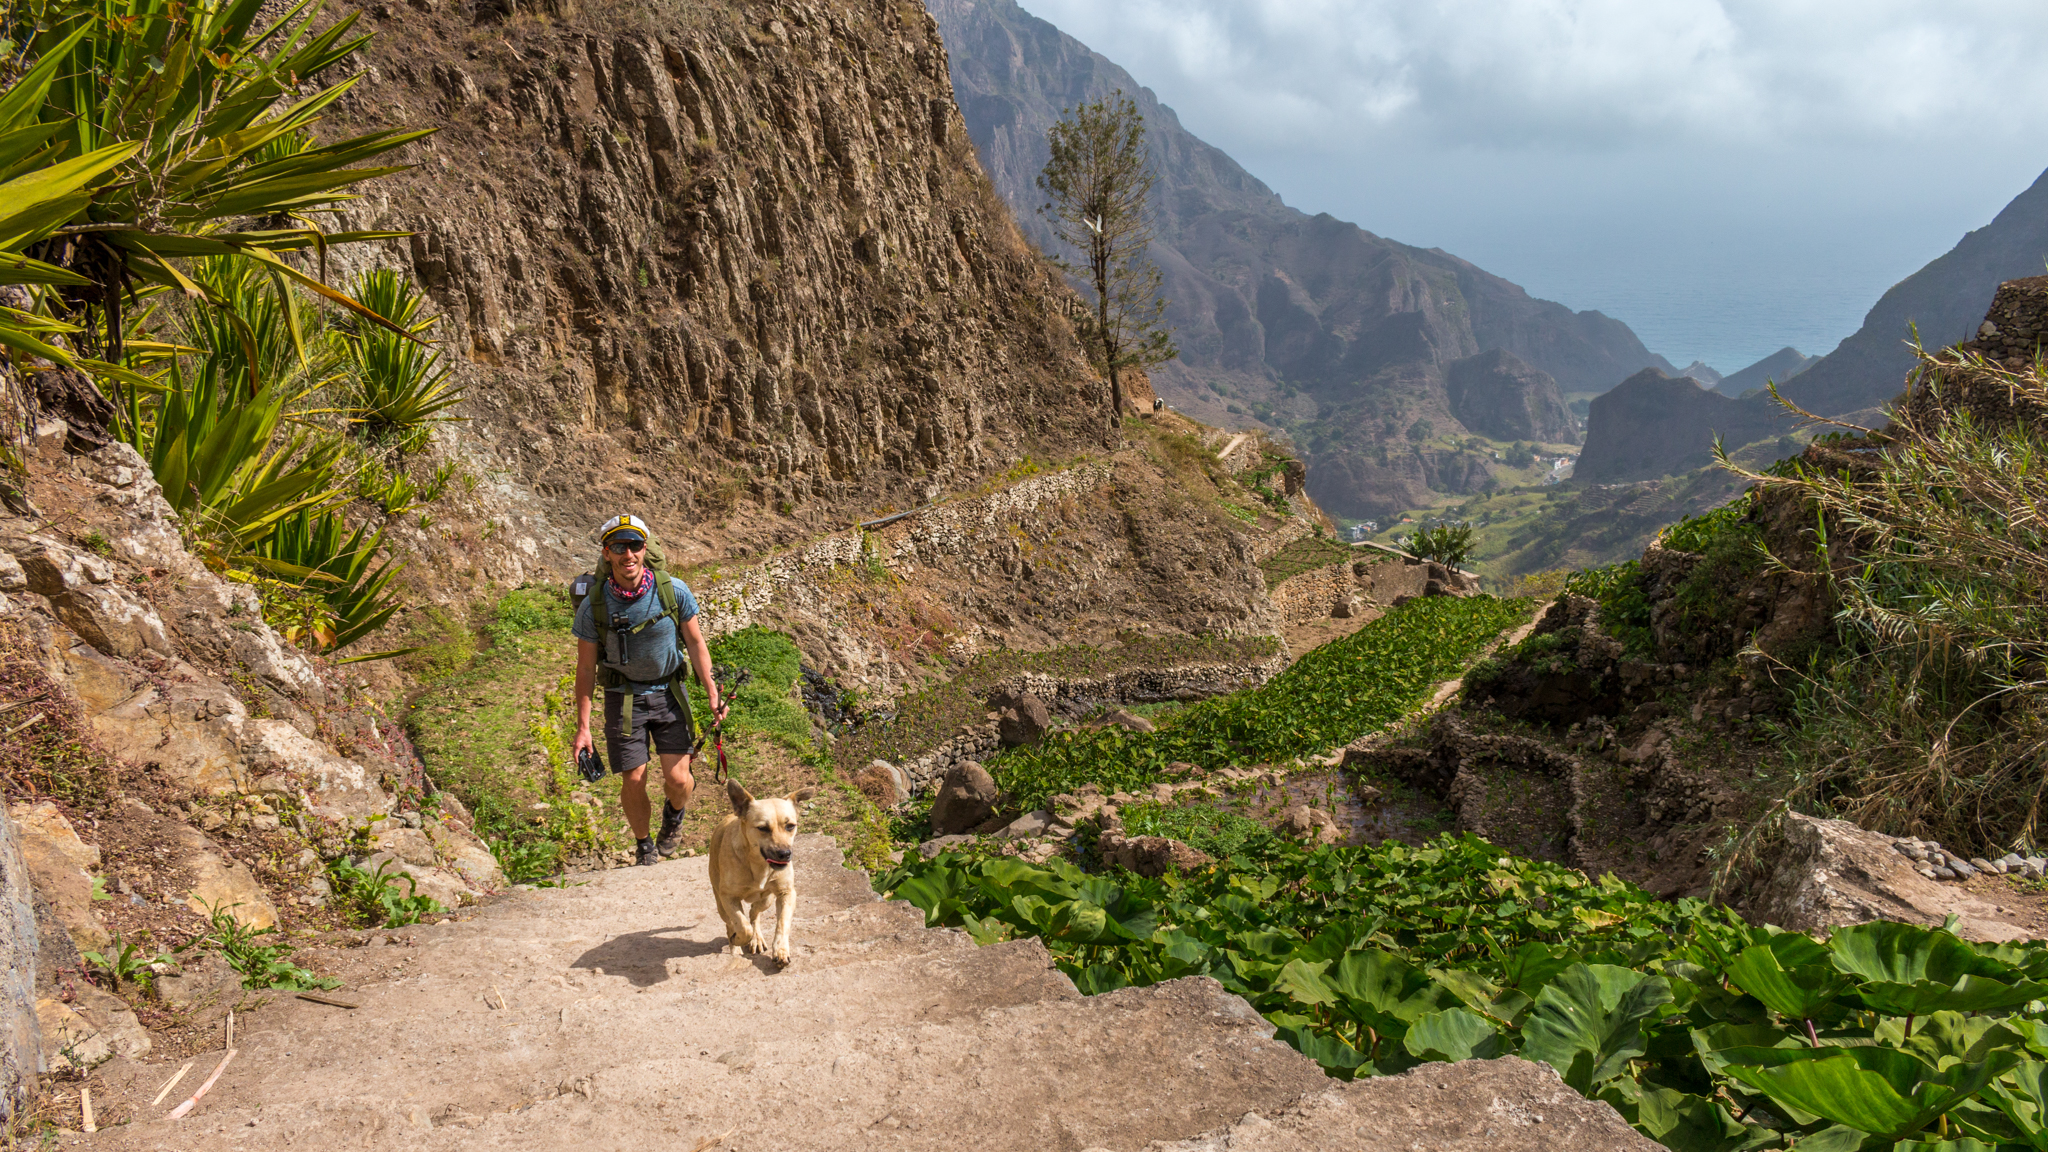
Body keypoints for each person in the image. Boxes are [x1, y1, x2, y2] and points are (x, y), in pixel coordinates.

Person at [570, 515, 726, 866]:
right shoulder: (594, 605)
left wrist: (712, 693)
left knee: (679, 780)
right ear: (606, 553)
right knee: (634, 779)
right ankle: (644, 846)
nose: (628, 555)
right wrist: (584, 727)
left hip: (670, 693)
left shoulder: (673, 591)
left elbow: (696, 643)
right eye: (618, 547)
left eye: (635, 546)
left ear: (646, 549)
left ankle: (674, 815)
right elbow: (584, 668)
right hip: (623, 699)